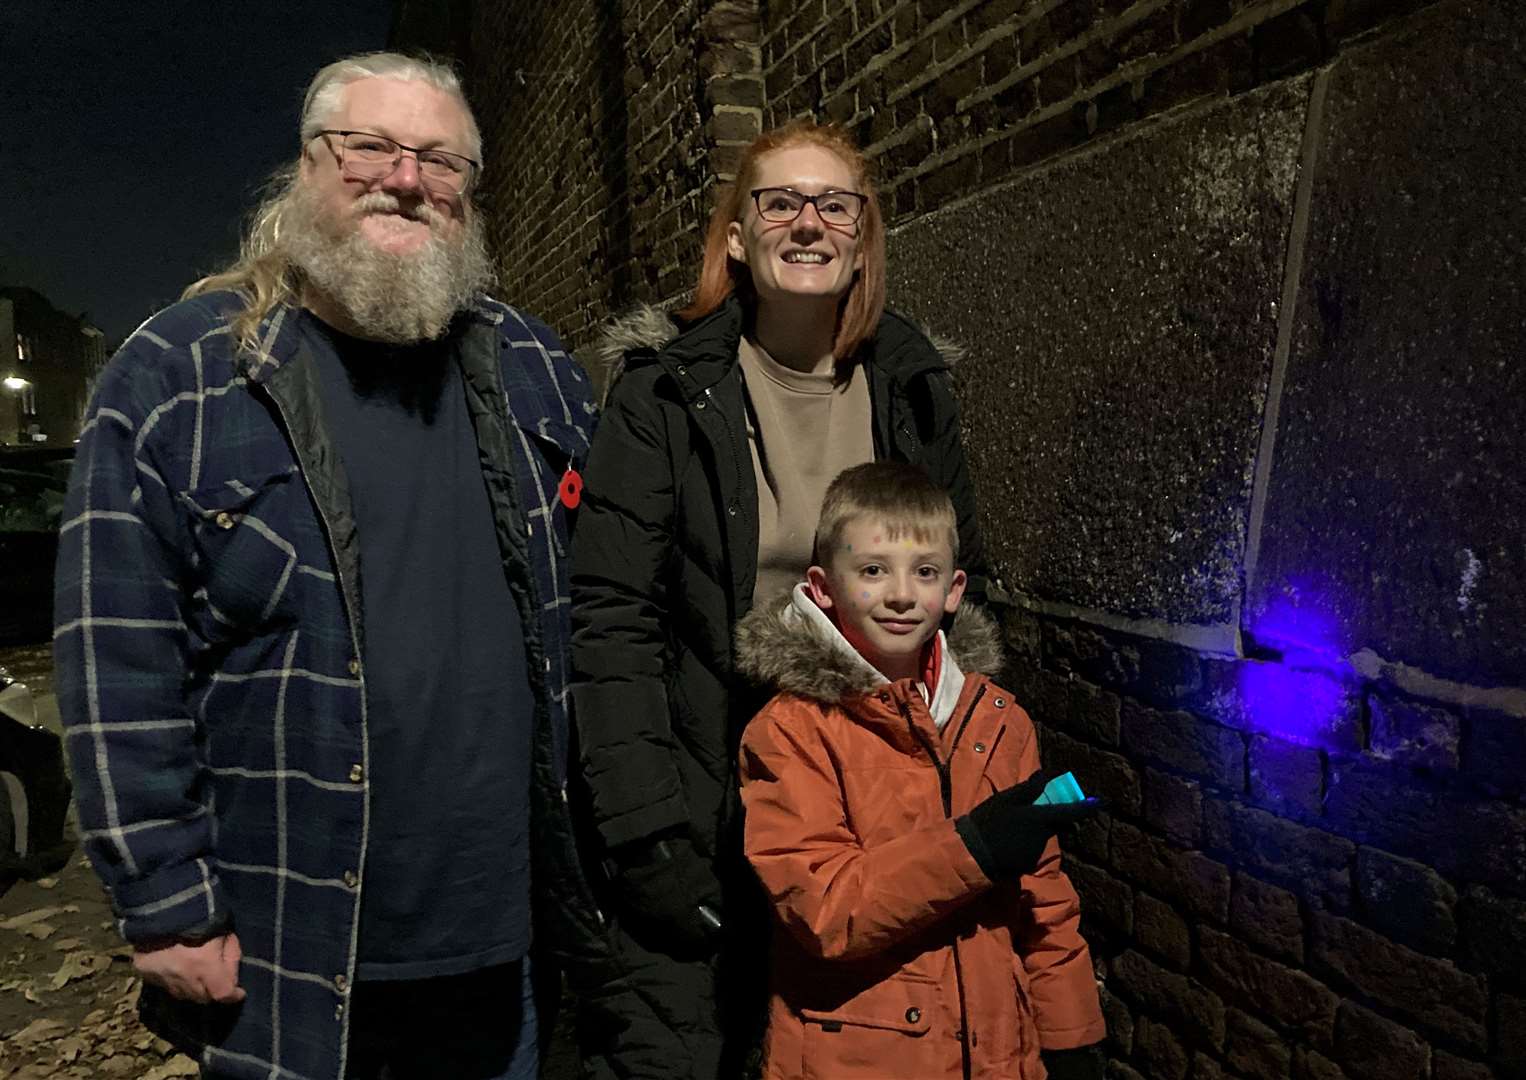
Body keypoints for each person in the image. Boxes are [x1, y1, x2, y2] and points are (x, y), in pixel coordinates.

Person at [52, 52, 602, 1080]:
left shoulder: (535, 368)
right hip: (292, 944)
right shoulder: (179, 378)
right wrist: (164, 900)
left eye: (440, 160)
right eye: (370, 148)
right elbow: (115, 662)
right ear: (306, 168)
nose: (406, 179)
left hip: (504, 939)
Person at [568, 120, 1002, 1077]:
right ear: (736, 235)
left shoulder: (910, 386)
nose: (808, 223)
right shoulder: (666, 394)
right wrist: (644, 836)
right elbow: (613, 616)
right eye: (779, 202)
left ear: (861, 238)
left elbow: (961, 595)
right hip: (707, 791)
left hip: (874, 813)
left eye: (834, 204)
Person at [734, 461, 1107, 1079]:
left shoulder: (998, 722)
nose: (903, 594)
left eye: (925, 572)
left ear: (955, 589)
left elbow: (1044, 898)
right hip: (858, 1057)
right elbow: (826, 908)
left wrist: (1071, 1036)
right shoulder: (790, 731)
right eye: (874, 571)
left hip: (996, 1053)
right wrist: (976, 846)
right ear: (823, 587)